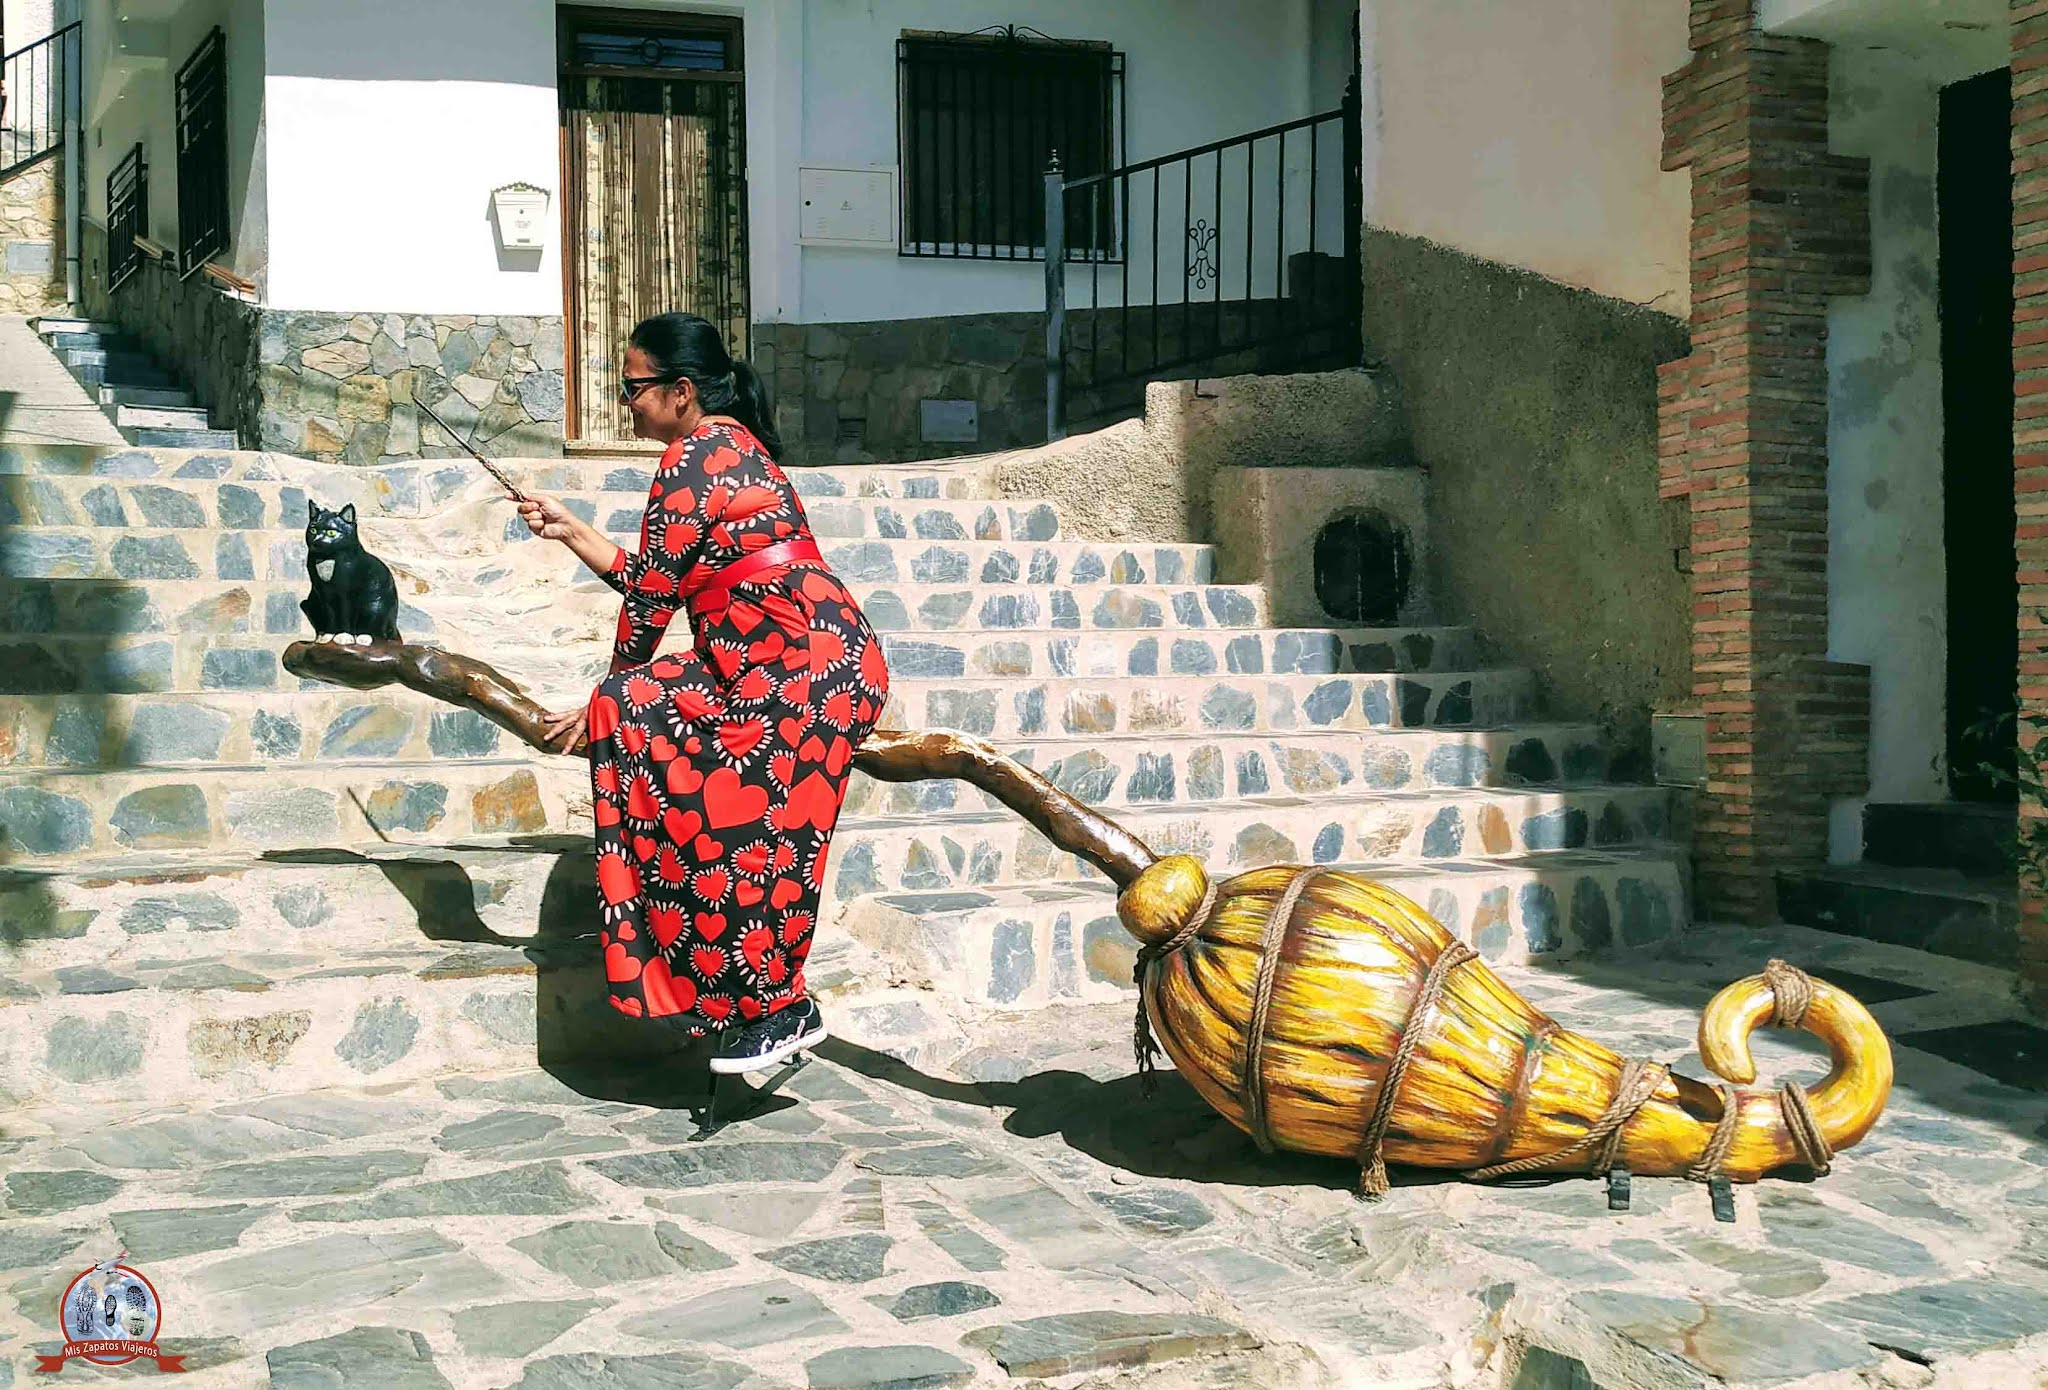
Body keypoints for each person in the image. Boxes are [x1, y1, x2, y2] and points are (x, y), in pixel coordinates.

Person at [514, 313, 888, 1073]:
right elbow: (659, 573)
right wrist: (572, 530)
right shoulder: (728, 448)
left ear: (681, 391)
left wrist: (604, 701)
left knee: (677, 761)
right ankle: (754, 998)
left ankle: (775, 1003)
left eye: (633, 389)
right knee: (652, 727)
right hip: (807, 660)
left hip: (795, 668)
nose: (627, 404)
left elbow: (650, 604)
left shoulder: (694, 455)